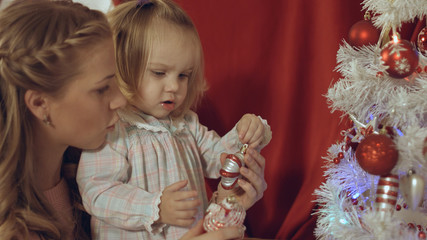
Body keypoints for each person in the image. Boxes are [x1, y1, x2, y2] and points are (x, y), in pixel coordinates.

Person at [76, 0, 272, 239]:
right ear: (123, 67)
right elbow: (96, 192)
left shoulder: (185, 124)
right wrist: (154, 207)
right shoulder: (113, 128)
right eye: (159, 73)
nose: (174, 86)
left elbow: (218, 159)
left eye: (183, 75)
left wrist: (245, 134)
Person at [0, 0, 127, 239]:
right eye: (101, 89)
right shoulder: (10, 229)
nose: (121, 100)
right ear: (40, 104)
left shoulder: (102, 175)